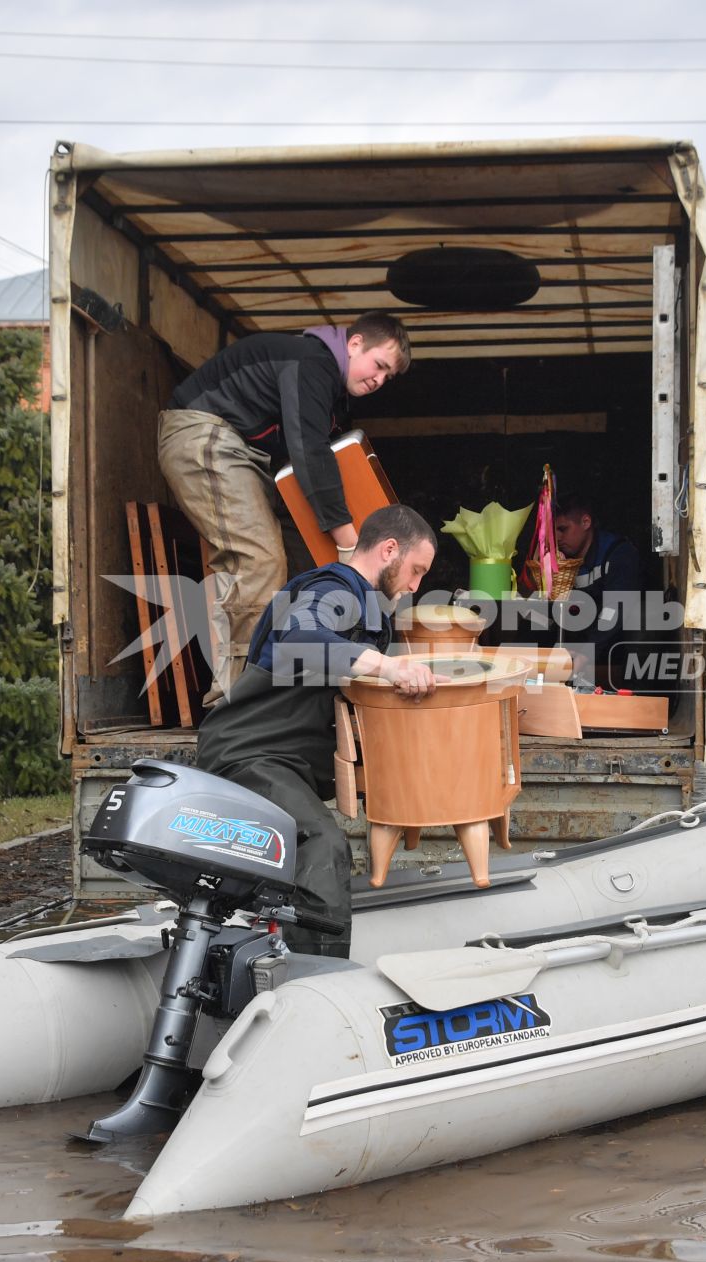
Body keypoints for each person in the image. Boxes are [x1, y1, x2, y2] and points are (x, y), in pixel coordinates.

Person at [193, 504, 440, 957]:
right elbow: (301, 640)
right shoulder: (332, 590)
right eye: (416, 570)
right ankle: (313, 981)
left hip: (281, 760)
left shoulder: (366, 609)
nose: (414, 586)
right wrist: (387, 666)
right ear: (389, 549)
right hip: (249, 752)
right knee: (321, 845)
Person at [159, 312, 411, 702]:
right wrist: (348, 543)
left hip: (245, 453)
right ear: (355, 343)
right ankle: (237, 700)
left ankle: (297, 686)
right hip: (205, 433)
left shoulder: (328, 390)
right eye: (379, 365)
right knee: (258, 561)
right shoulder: (311, 362)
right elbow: (309, 453)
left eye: (388, 377)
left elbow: (320, 462)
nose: (379, 380)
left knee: (298, 562)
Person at [549, 497, 645, 687]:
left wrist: (586, 652)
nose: (558, 538)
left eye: (563, 529)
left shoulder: (619, 554)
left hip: (614, 645)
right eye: (554, 532)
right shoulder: (559, 562)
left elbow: (616, 611)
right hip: (581, 643)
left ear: (586, 522)